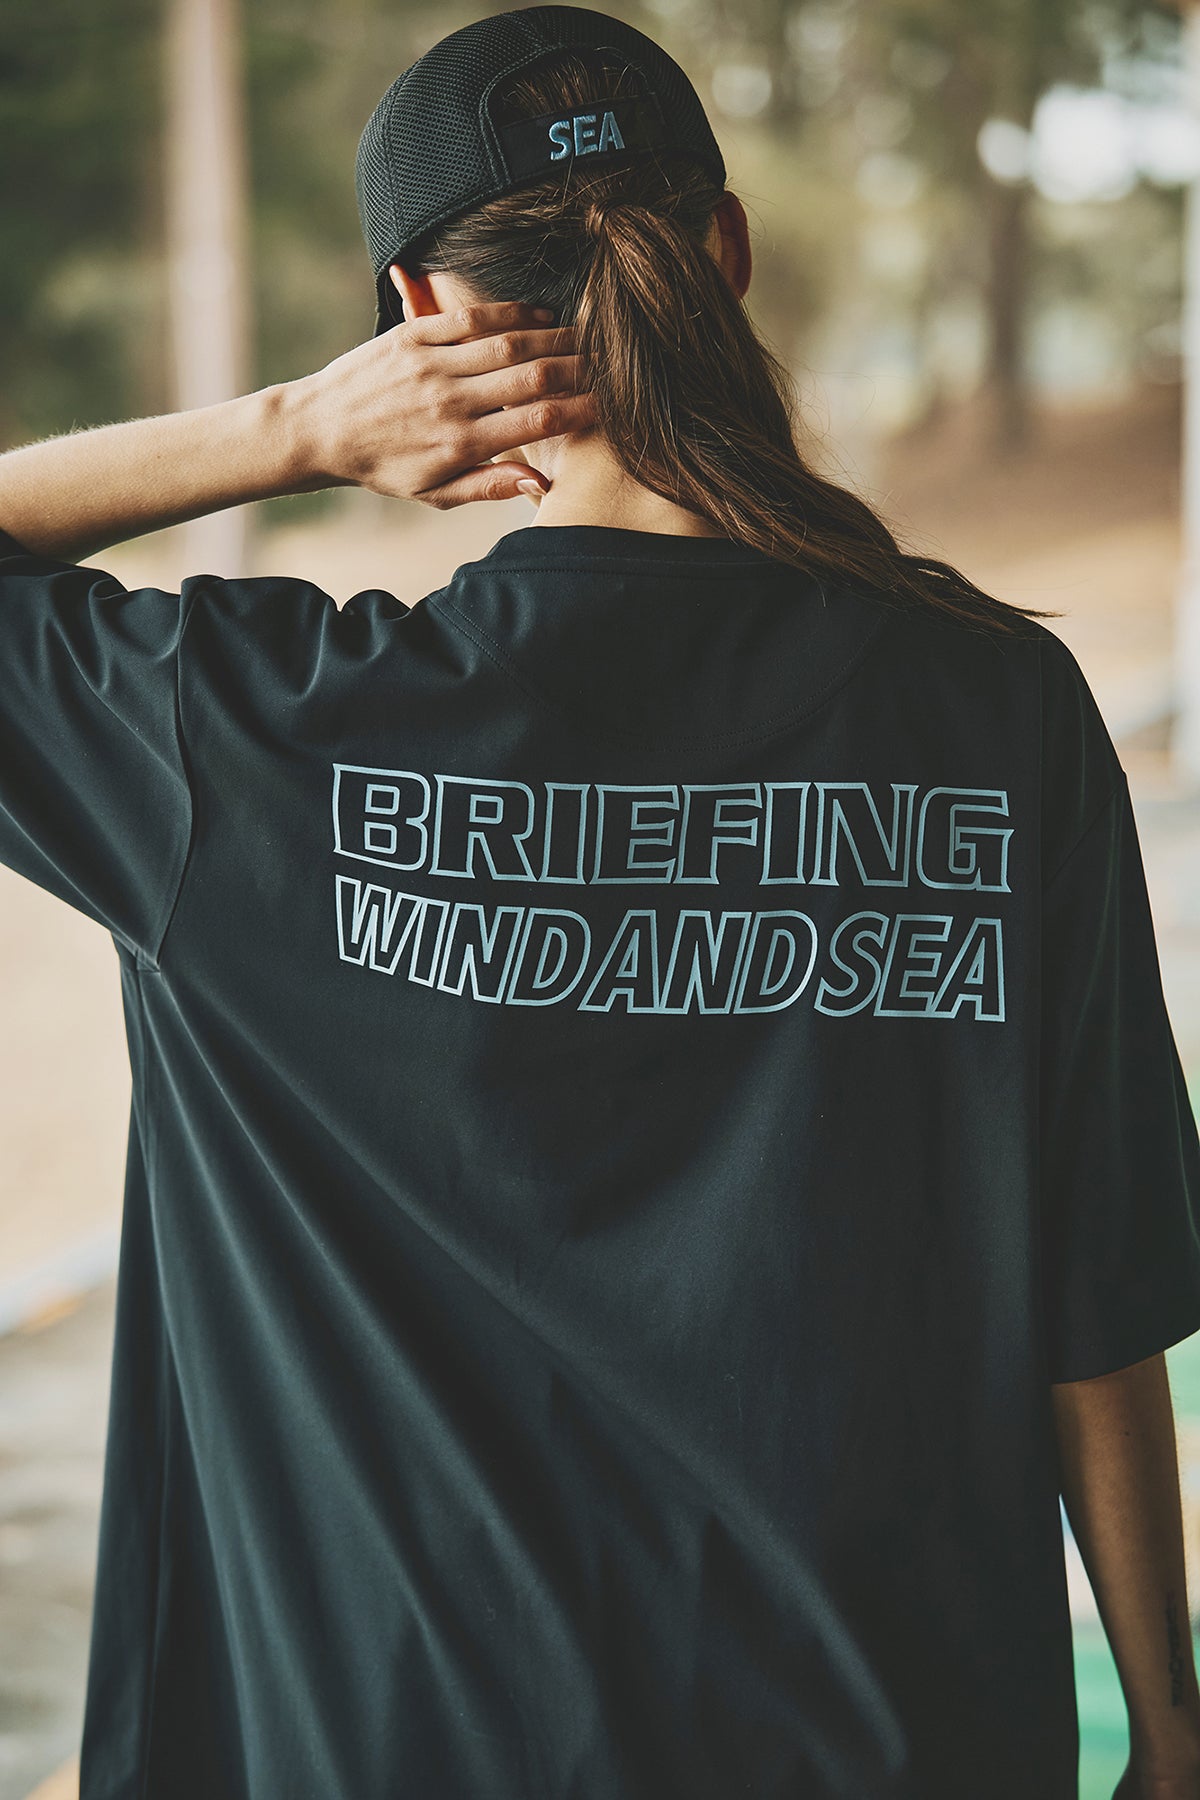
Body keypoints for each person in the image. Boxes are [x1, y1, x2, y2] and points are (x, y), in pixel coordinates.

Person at [0, 5, 1198, 1796]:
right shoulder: (994, 709)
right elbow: (1094, 1279)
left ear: (417, 315)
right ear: (730, 249)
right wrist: (1170, 1730)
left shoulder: (239, 744)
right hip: (903, 1741)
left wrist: (288, 429)